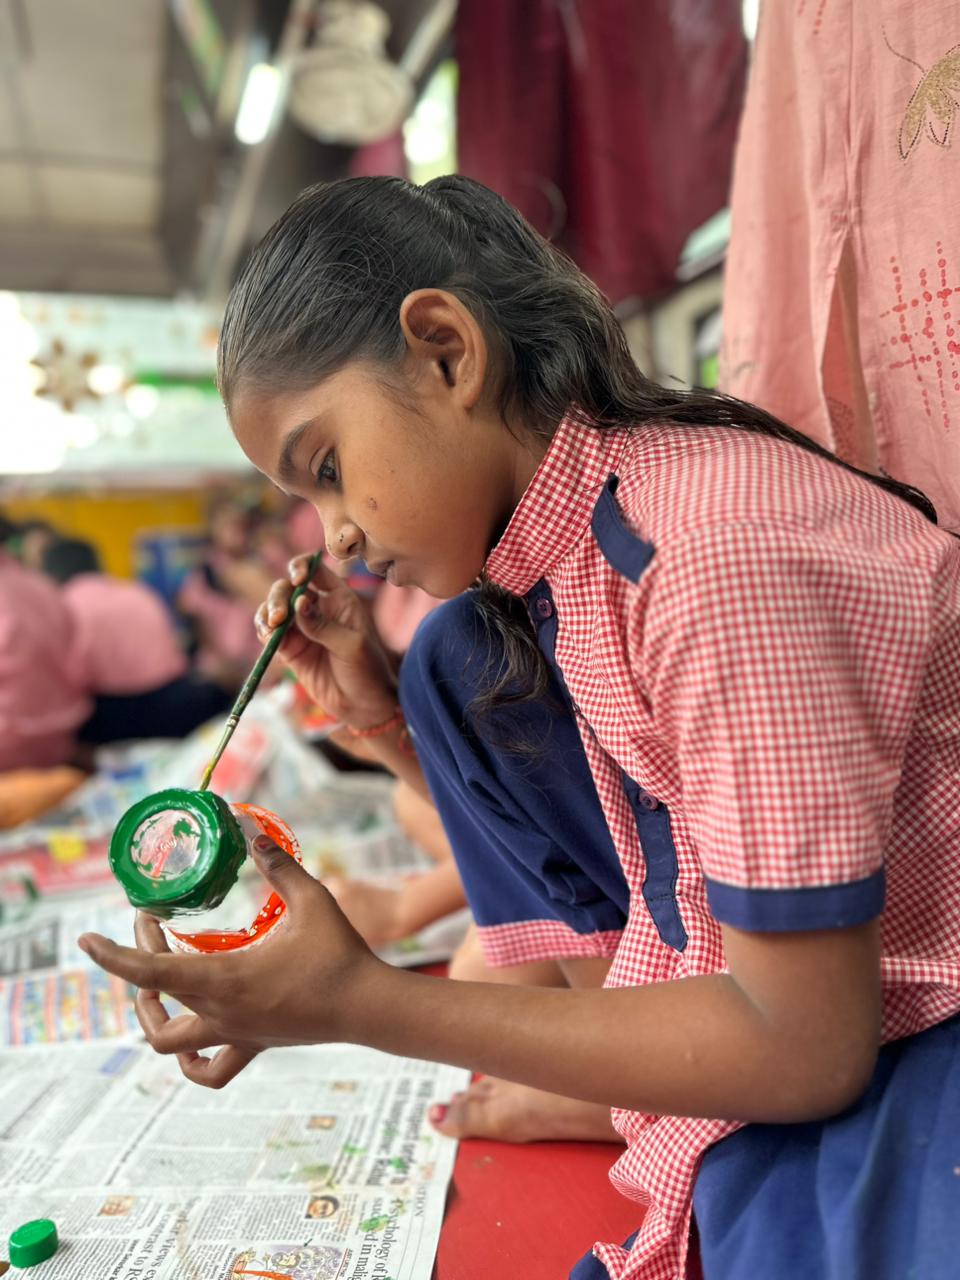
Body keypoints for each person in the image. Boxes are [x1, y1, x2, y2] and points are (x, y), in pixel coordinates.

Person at [79, 176, 960, 1280]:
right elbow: (602, 825)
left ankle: (664, 1093)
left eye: (328, 469)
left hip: (900, 1025)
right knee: (456, 661)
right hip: (796, 1015)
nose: (334, 535)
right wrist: (384, 725)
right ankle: (650, 1085)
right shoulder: (565, 563)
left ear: (446, 352)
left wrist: (361, 1002)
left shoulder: (707, 559)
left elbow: (811, 1047)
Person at [43, 537, 230, 742]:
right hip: (175, 703)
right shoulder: (136, 591)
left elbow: (73, 678)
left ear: (52, 574)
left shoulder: (64, 605)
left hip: (115, 716)